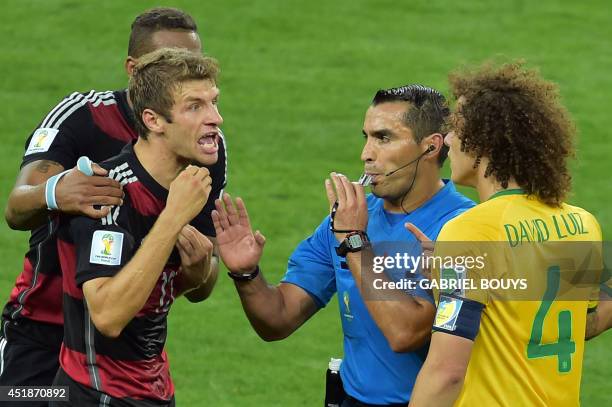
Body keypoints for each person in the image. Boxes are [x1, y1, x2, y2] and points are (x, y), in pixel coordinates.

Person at [0, 7, 227, 397]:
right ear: (135, 70)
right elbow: (16, 207)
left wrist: (203, 272)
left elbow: (199, 280)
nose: (214, 118)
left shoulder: (204, 150)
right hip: (42, 333)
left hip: (129, 358)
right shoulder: (83, 120)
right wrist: (55, 192)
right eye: (168, 63)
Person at [212, 85, 474, 406]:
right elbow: (279, 318)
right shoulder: (348, 219)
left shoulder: (462, 228)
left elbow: (405, 333)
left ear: (430, 148)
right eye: (366, 137)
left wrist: (354, 243)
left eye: (384, 138)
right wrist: (246, 274)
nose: (366, 153)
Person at [408, 61, 606, 406]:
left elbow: (446, 372)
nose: (449, 140)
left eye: (456, 127)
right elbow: (579, 325)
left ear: (485, 141)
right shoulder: (582, 223)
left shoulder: (470, 231)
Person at [51, 47, 222, 406]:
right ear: (153, 120)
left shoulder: (193, 178)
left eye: (214, 103)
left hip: (155, 389)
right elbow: (108, 316)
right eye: (195, 107)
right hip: (96, 394)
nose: (215, 118)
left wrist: (202, 271)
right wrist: (173, 218)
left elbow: (168, 290)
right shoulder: (107, 192)